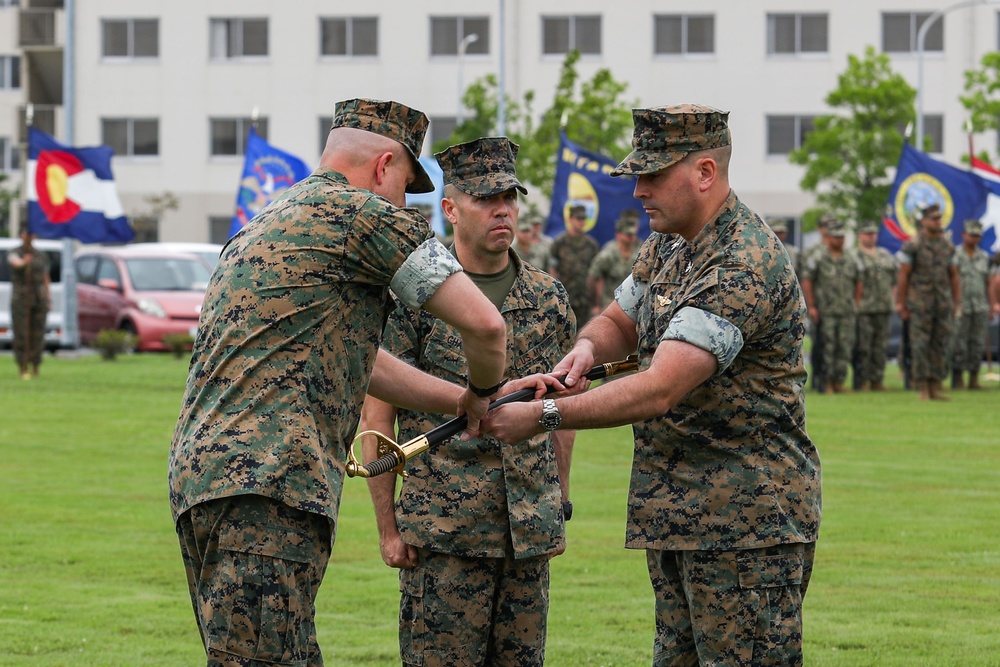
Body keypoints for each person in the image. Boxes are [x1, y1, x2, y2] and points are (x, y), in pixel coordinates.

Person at [168, 98, 509, 667]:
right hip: (269, 485)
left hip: (208, 481)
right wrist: (485, 391)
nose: (404, 200)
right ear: (383, 167)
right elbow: (486, 325)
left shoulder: (269, 223)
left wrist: (456, 400)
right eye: (405, 181)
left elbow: (357, 357)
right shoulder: (362, 216)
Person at [483, 104, 821, 666]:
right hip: (679, 515)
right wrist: (585, 351)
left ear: (705, 173)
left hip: (745, 526)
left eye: (653, 174)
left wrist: (544, 417)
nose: (638, 190)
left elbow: (661, 387)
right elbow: (619, 320)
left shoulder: (742, 262)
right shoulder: (670, 243)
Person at [360, 136, 577, 667]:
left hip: (526, 533)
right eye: (485, 198)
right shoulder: (414, 296)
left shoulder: (548, 297)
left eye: (509, 196)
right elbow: (379, 411)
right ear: (451, 209)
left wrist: (559, 501)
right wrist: (388, 528)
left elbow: (564, 408)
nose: (502, 209)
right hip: (443, 535)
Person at [896, 203, 961, 401]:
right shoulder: (913, 245)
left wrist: (956, 302)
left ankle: (935, 384)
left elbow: (954, 276)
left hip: (942, 303)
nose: (937, 222)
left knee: (940, 344)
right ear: (924, 221)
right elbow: (903, 275)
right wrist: (901, 303)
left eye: (939, 218)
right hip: (920, 304)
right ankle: (922, 386)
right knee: (920, 345)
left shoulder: (947, 246)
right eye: (934, 218)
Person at [801, 218, 863, 393]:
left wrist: (856, 303)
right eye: (836, 237)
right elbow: (807, 281)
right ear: (829, 238)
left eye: (842, 237)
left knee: (844, 347)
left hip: (846, 310)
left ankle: (839, 381)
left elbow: (859, 281)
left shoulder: (851, 257)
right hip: (825, 310)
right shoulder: (818, 257)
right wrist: (811, 306)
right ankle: (826, 382)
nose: (839, 240)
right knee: (827, 347)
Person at [855, 221, 897, 391]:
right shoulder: (854, 256)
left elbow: (894, 280)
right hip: (865, 307)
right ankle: (863, 380)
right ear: (860, 236)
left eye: (873, 234)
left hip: (883, 306)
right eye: (867, 233)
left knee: (880, 346)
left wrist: (893, 299)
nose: (870, 236)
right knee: (864, 346)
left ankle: (877, 379)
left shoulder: (885, 255)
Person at [5, 229, 50, 380]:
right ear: (21, 235)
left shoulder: (41, 255)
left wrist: (48, 298)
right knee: (21, 334)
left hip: (38, 298)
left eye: (31, 233)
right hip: (21, 300)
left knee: (38, 333)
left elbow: (45, 277)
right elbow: (15, 263)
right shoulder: (14, 252)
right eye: (26, 233)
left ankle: (36, 366)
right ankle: (22, 366)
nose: (29, 236)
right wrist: (25, 262)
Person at [951, 219, 991, 389]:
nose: (974, 238)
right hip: (961, 306)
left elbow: (988, 283)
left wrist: (991, 304)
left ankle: (974, 378)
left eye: (977, 235)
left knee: (977, 343)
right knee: (959, 342)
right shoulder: (955, 255)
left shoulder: (984, 257)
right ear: (963, 235)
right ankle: (957, 377)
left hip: (980, 306)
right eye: (971, 235)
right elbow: (951, 279)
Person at [550, 203, 599, 328]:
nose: (581, 222)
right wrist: (555, 295)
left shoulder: (591, 245)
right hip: (565, 297)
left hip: (584, 299)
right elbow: (553, 270)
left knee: (583, 335)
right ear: (570, 219)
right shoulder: (559, 243)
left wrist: (595, 303)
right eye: (578, 218)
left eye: (583, 219)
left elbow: (596, 274)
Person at [587, 209, 640, 317]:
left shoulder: (640, 253)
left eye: (633, 234)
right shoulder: (608, 254)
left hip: (633, 307)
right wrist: (595, 305)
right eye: (628, 234)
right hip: (609, 306)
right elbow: (593, 277)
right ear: (618, 234)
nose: (631, 237)